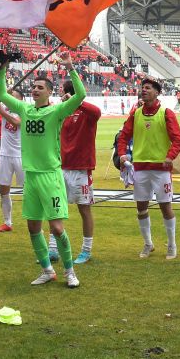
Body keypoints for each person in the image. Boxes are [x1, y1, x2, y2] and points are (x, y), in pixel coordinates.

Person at [0, 59, 87, 288]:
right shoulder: (25, 109)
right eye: (33, 87)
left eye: (40, 87)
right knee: (33, 227)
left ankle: (69, 271)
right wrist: (2, 71)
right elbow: (2, 94)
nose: (35, 90)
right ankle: (47, 270)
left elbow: (80, 95)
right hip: (31, 176)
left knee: (56, 228)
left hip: (50, 176)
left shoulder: (57, 111)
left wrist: (71, 67)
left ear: (50, 92)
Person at [116, 79, 180, 259]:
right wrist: (122, 154)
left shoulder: (166, 113)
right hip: (140, 169)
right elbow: (123, 136)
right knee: (141, 208)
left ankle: (171, 245)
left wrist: (170, 156)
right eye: (142, 88)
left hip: (161, 169)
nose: (143, 90)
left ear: (157, 92)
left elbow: (178, 139)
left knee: (165, 206)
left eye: (148, 88)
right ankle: (148, 243)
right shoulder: (136, 114)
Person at [58, 79, 102, 265]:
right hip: (62, 166)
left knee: (84, 210)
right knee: (57, 209)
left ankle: (86, 250)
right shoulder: (63, 112)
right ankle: (53, 249)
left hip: (81, 169)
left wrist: (78, 101)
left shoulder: (86, 111)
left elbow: (97, 112)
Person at [0, 87, 23, 233]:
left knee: (29, 190)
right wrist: (2, 93)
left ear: (20, 100)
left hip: (21, 155)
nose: (10, 99)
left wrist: (1, 110)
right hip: (5, 154)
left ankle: (36, 222)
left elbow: (17, 122)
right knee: (3, 189)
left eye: (14, 97)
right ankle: (7, 222)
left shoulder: (25, 110)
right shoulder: (5, 108)